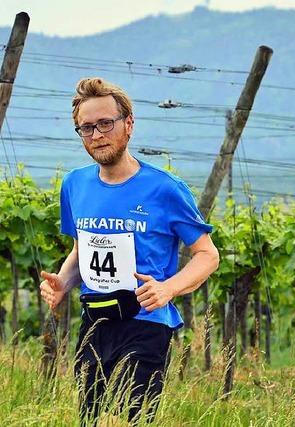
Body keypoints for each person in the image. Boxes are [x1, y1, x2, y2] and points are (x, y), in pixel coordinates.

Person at [39, 77, 219, 425]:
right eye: (86, 128)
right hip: (95, 321)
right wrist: (63, 281)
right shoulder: (74, 184)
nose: (96, 135)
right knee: (88, 419)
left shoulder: (165, 189)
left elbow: (207, 255)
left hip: (145, 323)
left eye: (105, 123)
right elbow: (82, 249)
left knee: (134, 418)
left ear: (129, 124)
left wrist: (168, 289)